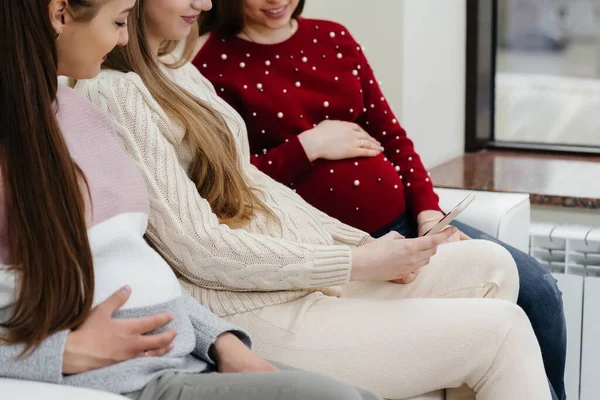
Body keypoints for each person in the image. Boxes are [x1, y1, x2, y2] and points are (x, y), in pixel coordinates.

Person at [75, 0, 552, 398]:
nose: (203, 3)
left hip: (293, 276)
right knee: (503, 331)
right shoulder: (115, 93)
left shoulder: (176, 72)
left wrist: (365, 246)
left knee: (490, 264)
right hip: (251, 305)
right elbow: (198, 248)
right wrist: (353, 263)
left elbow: (258, 191)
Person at [0, 1, 382, 400]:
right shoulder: (85, 106)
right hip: (128, 380)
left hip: (188, 356)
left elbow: (138, 262)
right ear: (60, 14)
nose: (125, 38)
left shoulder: (79, 114)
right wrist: (62, 353)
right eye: (118, 20)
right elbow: (192, 246)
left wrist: (220, 341)